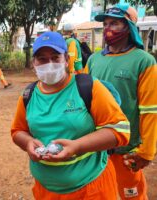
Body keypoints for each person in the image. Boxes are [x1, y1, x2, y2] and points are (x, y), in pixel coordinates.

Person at [11, 31, 130, 199]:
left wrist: (77, 146)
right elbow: (17, 131)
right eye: (42, 59)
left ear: (67, 60)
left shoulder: (88, 87)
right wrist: (28, 142)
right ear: (34, 63)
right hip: (46, 191)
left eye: (55, 57)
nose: (49, 64)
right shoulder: (28, 94)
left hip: (92, 190)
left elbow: (120, 129)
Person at [85, 3, 157, 200]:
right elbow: (84, 99)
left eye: (115, 23)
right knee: (100, 192)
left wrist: (147, 151)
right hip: (97, 146)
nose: (108, 28)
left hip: (127, 149)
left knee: (131, 194)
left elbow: (150, 109)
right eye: (106, 23)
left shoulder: (144, 61)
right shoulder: (93, 60)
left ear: (129, 27)